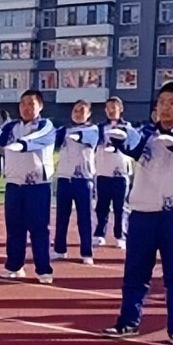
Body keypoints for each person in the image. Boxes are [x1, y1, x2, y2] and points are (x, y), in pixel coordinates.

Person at [102, 82, 173, 345]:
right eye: (162, 102)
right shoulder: (146, 133)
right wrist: (123, 137)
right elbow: (133, 142)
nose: (166, 108)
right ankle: (128, 322)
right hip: (143, 213)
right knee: (135, 273)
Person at [0, 89, 56, 283]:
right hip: (14, 185)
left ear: (40, 106)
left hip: (37, 185)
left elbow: (39, 139)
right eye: (23, 104)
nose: (26, 108)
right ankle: (14, 265)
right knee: (14, 228)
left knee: (39, 229)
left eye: (31, 104)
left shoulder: (45, 125)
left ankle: (43, 269)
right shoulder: (12, 127)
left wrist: (22, 145)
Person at [53, 100, 99, 265]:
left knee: (84, 217)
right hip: (65, 177)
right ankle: (59, 249)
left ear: (89, 114)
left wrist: (74, 135)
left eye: (82, 110)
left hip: (83, 179)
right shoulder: (64, 129)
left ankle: (86, 251)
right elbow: (53, 141)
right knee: (62, 217)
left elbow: (86, 138)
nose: (78, 113)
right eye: (75, 110)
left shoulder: (93, 129)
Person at [94, 97, 132, 250]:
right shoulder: (99, 127)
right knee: (101, 205)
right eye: (108, 108)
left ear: (120, 109)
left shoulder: (127, 127)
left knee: (120, 206)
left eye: (114, 108)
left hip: (120, 172)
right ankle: (100, 234)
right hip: (103, 171)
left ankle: (120, 235)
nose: (111, 111)